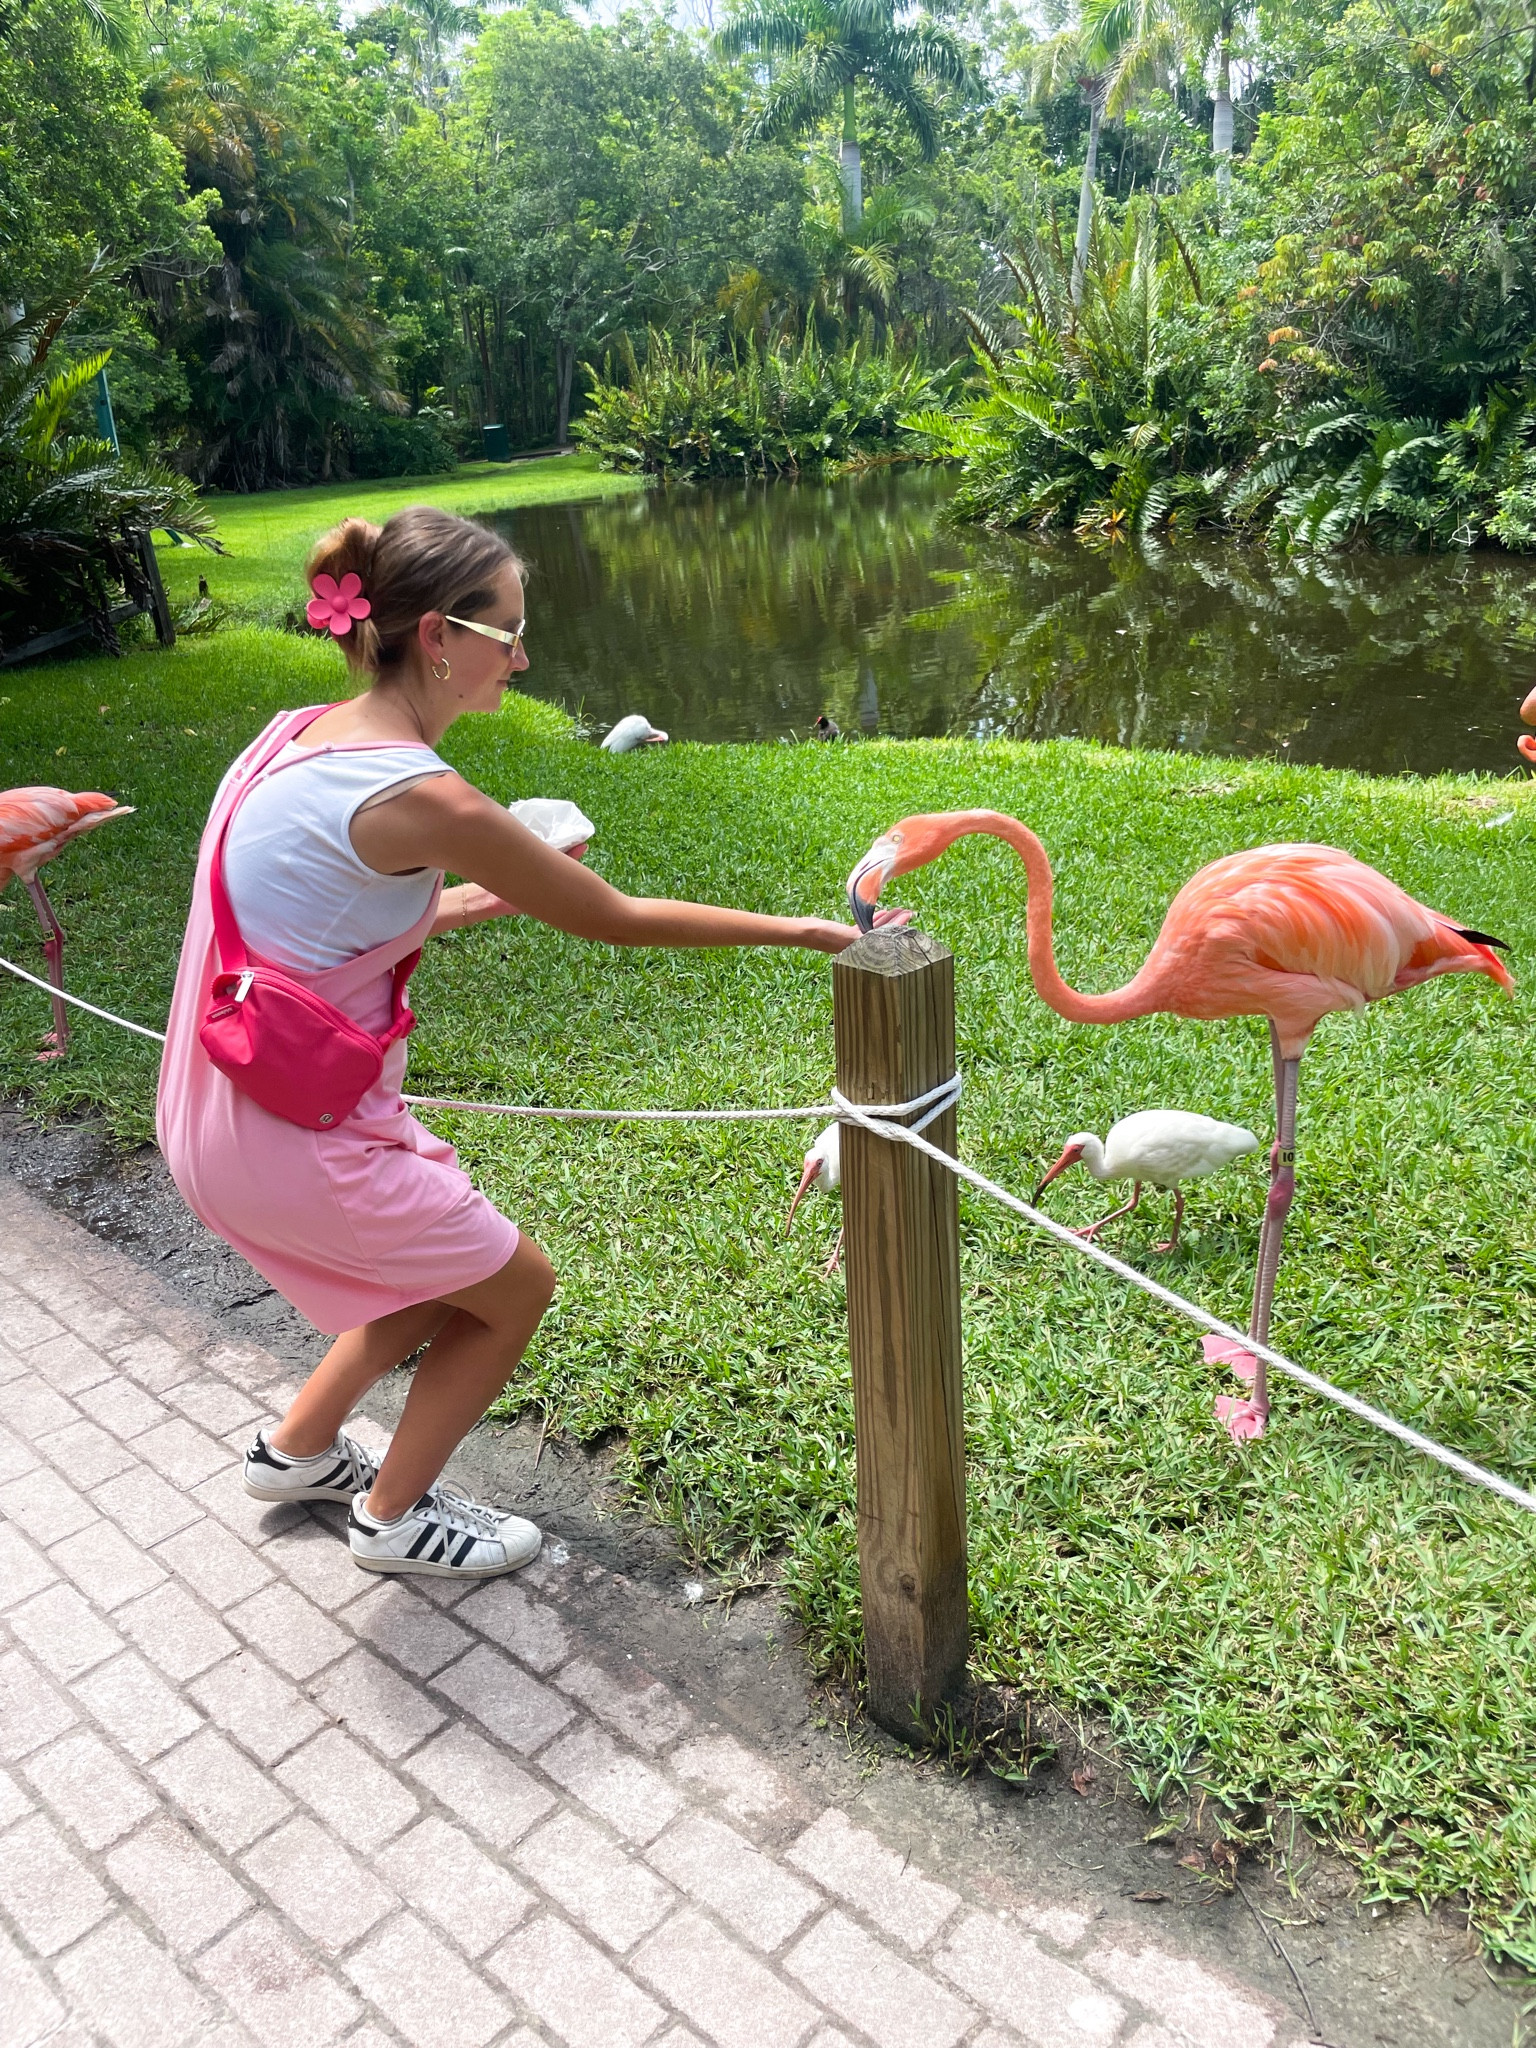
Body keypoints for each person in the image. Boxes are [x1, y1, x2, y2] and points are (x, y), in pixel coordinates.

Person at [157, 506, 885, 1583]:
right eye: (509, 631)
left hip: (218, 1104)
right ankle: (392, 1521)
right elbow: (618, 916)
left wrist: (479, 898)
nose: (524, 655)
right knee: (515, 1286)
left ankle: (294, 1449)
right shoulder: (425, 793)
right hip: (293, 1132)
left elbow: (318, 920)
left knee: (430, 1269)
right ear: (441, 637)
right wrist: (815, 931)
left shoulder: (293, 735)